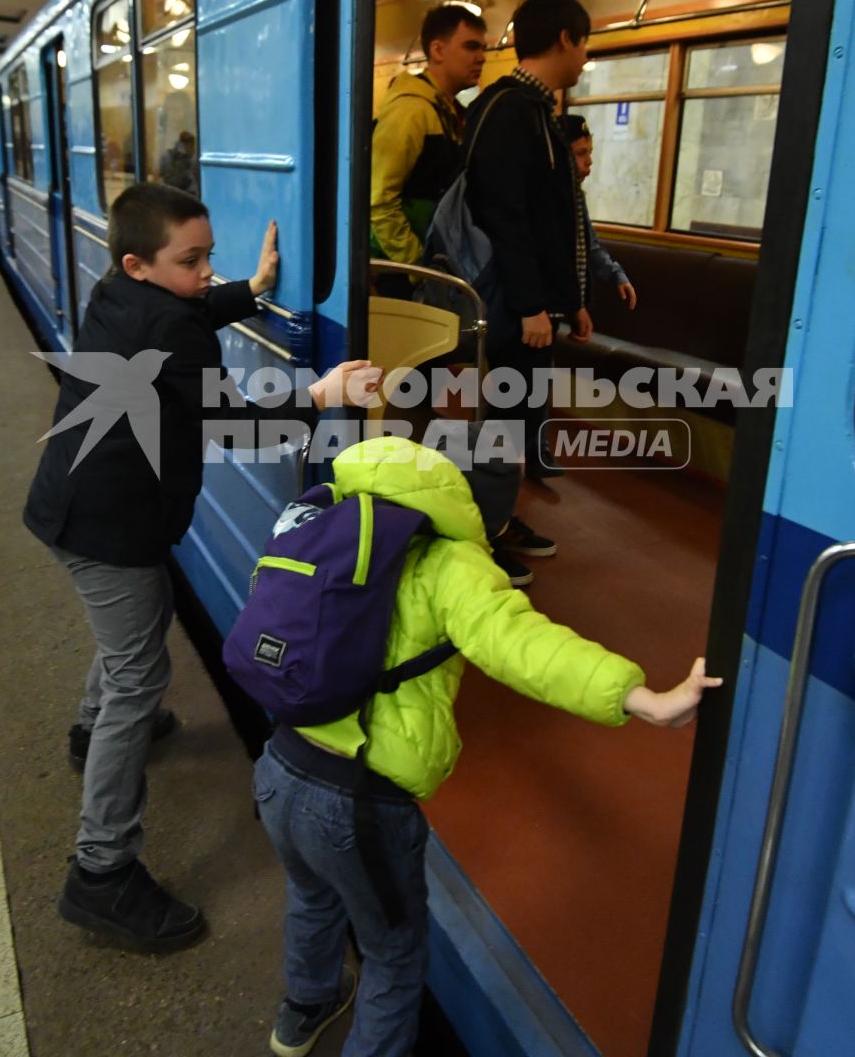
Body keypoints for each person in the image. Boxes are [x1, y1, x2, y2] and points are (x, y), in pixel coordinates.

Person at [253, 436, 719, 1057]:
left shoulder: (318, 524)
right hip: (359, 801)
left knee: (312, 896)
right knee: (393, 954)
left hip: (279, 766)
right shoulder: (451, 563)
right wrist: (640, 698)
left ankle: (302, 1013)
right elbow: (525, 648)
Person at [24, 182, 381, 954]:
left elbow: (183, 313)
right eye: (193, 260)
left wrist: (246, 292)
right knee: (138, 675)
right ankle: (101, 872)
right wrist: (321, 393)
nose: (204, 271)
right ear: (139, 262)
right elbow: (229, 423)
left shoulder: (118, 292)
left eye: (209, 256)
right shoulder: (167, 319)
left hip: (85, 507)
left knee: (138, 629)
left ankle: (94, 732)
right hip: (106, 526)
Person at [465, 0, 592, 488]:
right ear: (565, 39)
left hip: (535, 299)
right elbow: (507, 215)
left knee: (517, 412)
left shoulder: (536, 112)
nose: (585, 58)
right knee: (505, 416)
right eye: (584, 44)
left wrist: (570, 301)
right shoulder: (510, 111)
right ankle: (487, 525)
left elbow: (550, 219)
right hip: (516, 301)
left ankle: (497, 517)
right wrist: (530, 305)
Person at [370, 4, 486, 265]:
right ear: (437, 50)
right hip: (399, 271)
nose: (481, 57)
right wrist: (417, 265)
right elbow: (378, 201)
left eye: (483, 48)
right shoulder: (411, 110)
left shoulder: (449, 112)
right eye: (471, 47)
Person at [556, 114, 637, 312]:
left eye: (590, 152)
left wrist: (615, 274)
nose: (589, 161)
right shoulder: (547, 199)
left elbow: (589, 246)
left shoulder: (577, 196)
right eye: (581, 153)